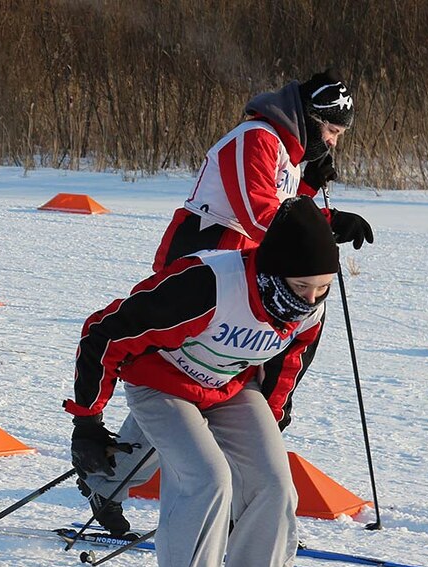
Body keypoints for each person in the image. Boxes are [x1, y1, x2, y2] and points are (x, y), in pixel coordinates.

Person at [77, 69, 374, 536]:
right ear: (311, 118)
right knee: (174, 376)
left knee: (197, 380)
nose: (334, 143)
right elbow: (260, 213)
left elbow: (283, 212)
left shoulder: (287, 150)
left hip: (245, 270)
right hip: (202, 263)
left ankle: (113, 479)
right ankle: (126, 480)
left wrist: (311, 192)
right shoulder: (255, 137)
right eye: (332, 131)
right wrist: (327, 222)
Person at [64, 197, 338, 567]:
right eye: (302, 288)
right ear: (272, 272)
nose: (311, 300)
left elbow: (289, 362)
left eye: (322, 289)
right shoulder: (204, 285)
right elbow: (103, 334)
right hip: (159, 383)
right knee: (208, 482)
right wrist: (87, 421)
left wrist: (271, 420)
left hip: (228, 386)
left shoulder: (307, 308)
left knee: (274, 486)